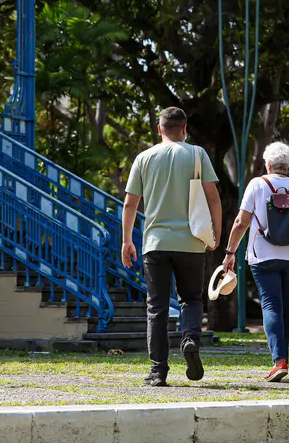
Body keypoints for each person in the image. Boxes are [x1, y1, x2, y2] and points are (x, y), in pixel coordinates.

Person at [121, 107, 222, 388]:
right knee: (191, 299)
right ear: (184, 129)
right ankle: (190, 338)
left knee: (157, 307)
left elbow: (130, 203)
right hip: (191, 241)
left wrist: (127, 241)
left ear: (159, 129)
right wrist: (215, 233)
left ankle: (158, 371)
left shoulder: (144, 158)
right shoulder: (197, 154)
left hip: (155, 243)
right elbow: (213, 198)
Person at [222, 142, 289, 382]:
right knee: (286, 307)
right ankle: (282, 358)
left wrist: (230, 252)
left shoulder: (257, 185)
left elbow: (241, 222)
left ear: (268, 164)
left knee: (270, 305)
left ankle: (279, 361)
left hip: (263, 255)